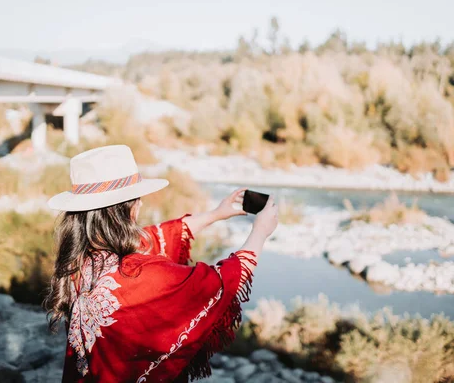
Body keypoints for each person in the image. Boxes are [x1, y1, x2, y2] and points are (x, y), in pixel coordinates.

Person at [44, 145, 278, 382]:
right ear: (125, 209)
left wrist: (215, 214)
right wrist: (260, 232)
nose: (141, 204)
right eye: (137, 199)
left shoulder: (80, 260)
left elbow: (153, 237)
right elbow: (216, 283)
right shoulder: (140, 275)